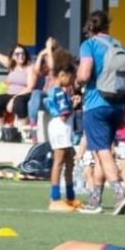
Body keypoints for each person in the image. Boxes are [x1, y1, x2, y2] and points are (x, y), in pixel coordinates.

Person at [76, 10, 125, 214]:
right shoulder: (118, 45)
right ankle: (95, 200)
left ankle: (120, 195)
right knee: (102, 151)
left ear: (90, 28)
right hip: (118, 104)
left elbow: (84, 74)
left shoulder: (89, 45)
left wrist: (76, 82)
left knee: (102, 151)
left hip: (96, 103)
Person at [44, 62, 83, 211]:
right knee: (59, 162)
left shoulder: (59, 91)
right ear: (62, 75)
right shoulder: (59, 92)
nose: (72, 81)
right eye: (71, 77)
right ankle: (54, 198)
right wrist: (74, 105)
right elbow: (63, 114)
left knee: (69, 162)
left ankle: (70, 196)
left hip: (64, 128)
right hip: (60, 127)